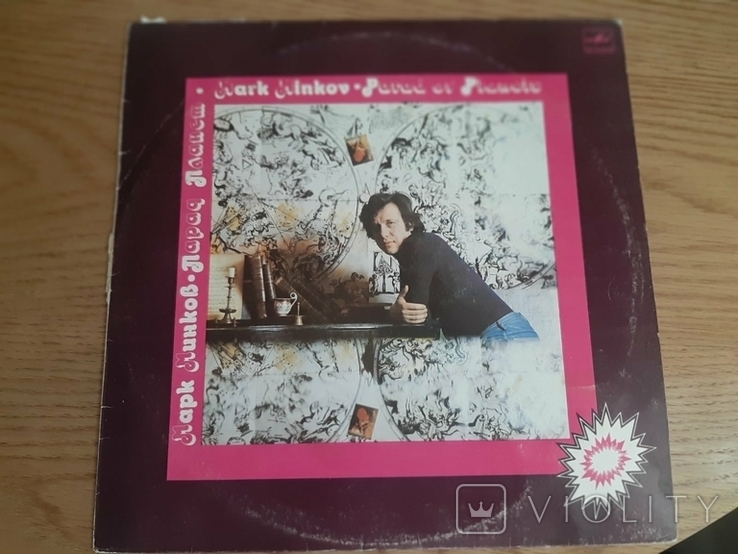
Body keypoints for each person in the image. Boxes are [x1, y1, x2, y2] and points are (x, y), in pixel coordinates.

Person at [359, 192, 538, 341]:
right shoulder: (412, 252)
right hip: (498, 334)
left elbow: (417, 321)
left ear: (409, 224)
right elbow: (423, 319)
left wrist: (394, 313)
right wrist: (397, 313)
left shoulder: (419, 246)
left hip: (504, 334)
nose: (383, 233)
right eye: (376, 227)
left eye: (390, 223)